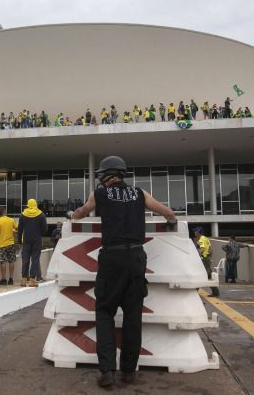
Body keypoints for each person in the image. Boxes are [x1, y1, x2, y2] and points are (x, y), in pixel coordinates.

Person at [70, 155, 176, 388]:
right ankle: (128, 372)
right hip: (136, 257)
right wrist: (171, 220)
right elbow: (166, 211)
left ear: (107, 176)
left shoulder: (99, 194)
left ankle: (107, 371)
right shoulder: (139, 193)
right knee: (132, 316)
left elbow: (81, 212)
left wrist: (69, 218)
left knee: (105, 312)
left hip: (111, 258)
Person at [17, 199, 47, 286]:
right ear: (35, 205)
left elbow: (19, 230)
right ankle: (32, 280)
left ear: (28, 205)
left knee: (25, 260)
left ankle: (23, 279)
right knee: (35, 260)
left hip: (26, 241)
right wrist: (39, 234)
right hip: (37, 241)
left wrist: (19, 241)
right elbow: (45, 230)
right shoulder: (41, 215)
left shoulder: (23, 215)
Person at [193, 226, 219, 297]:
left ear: (198, 232)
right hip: (207, 258)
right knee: (207, 275)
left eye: (195, 231)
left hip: (204, 259)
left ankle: (195, 291)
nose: (194, 232)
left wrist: (197, 256)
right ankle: (215, 292)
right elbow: (210, 249)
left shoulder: (201, 239)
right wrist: (209, 257)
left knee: (204, 275)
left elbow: (202, 249)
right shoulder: (206, 239)